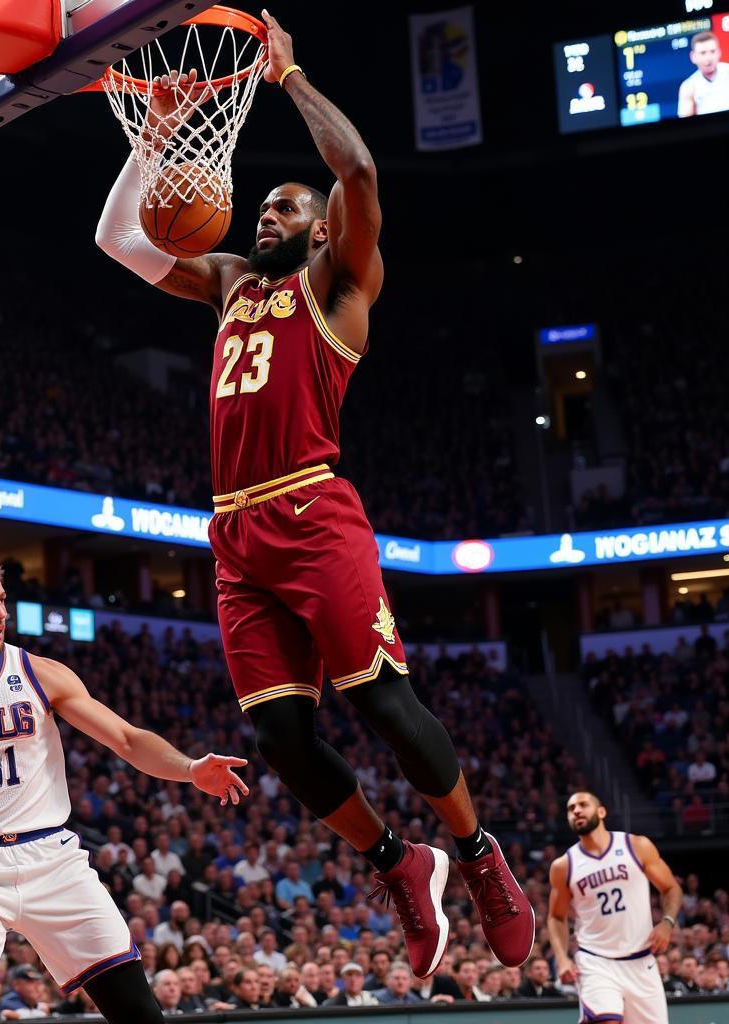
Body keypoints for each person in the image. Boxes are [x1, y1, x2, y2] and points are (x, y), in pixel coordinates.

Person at [95, 7, 533, 980]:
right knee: (280, 737)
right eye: (262, 209)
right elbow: (116, 238)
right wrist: (160, 134)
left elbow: (360, 175)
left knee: (381, 701)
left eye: (285, 209)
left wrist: (288, 78)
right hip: (234, 533)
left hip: (311, 505)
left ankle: (475, 854)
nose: (266, 217)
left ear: (322, 229)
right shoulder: (225, 281)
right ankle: (397, 862)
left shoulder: (338, 287)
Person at [0, 554, 248, 1024]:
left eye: (1, 600)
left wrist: (190, 767)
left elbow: (128, 739)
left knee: (138, 1011)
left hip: (50, 858)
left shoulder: (39, 672)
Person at [547, 791, 682, 1024]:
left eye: (583, 805)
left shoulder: (636, 846)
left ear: (601, 812)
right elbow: (556, 917)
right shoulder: (564, 865)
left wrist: (667, 923)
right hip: (595, 960)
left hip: (641, 960)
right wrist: (562, 959)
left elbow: (671, 888)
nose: (576, 810)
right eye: (571, 809)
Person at [678, 30, 729, 117]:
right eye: (703, 53)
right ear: (693, 57)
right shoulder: (688, 86)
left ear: (719, 52)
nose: (708, 58)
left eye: (712, 51)